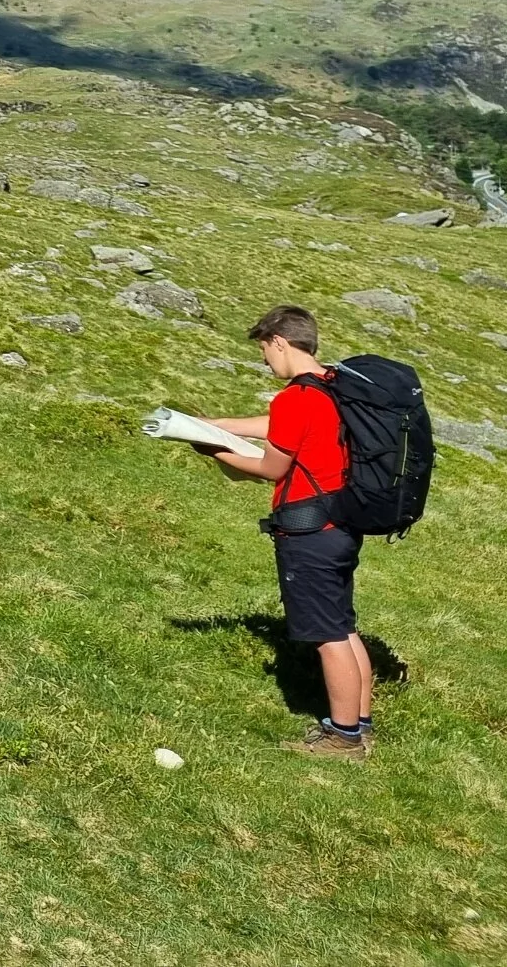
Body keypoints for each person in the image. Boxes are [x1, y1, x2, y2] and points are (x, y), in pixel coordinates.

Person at [191, 305, 375, 759]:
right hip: (341, 524)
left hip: (308, 530)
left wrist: (216, 451)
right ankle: (361, 724)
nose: (264, 361)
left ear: (278, 341)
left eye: (263, 350)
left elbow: (271, 467)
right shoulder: (334, 387)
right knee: (344, 626)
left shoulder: (295, 397)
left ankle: (344, 738)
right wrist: (219, 425)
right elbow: (280, 428)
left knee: (327, 635)